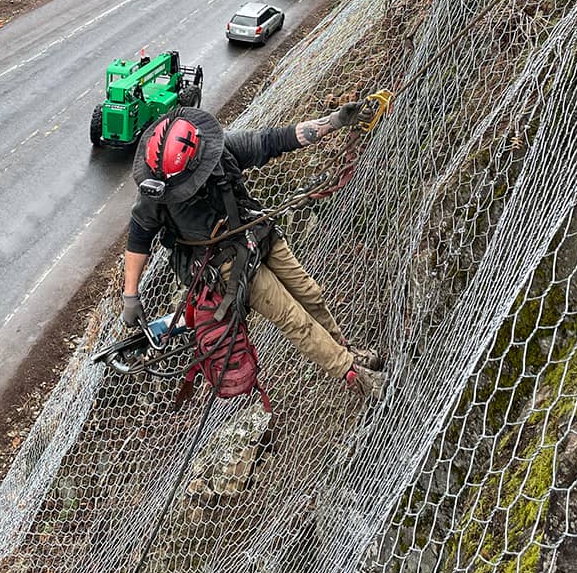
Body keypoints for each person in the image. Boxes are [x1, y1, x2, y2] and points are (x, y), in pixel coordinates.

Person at [122, 104, 384, 397]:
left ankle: (343, 347)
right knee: (293, 318)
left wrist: (334, 122)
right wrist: (130, 295)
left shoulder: (220, 152)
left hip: (257, 233)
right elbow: (139, 237)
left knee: (310, 293)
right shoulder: (153, 192)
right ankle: (351, 372)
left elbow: (273, 140)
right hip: (223, 266)